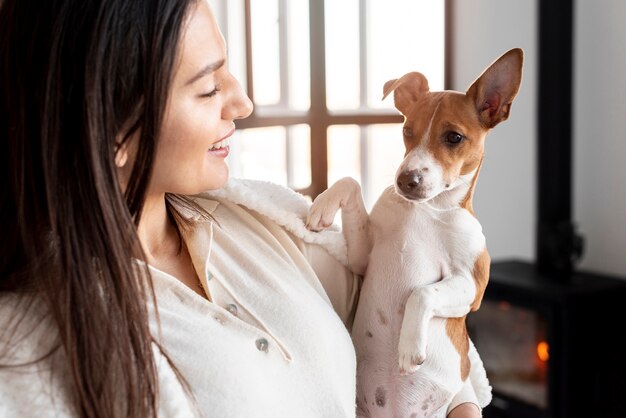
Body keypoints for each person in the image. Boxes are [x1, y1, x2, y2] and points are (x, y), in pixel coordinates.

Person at [0, 0, 485, 416]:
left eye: (226, 71)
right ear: (110, 130)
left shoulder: (264, 225)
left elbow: (423, 327)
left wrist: (462, 405)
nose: (243, 102)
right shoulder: (29, 350)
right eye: (208, 88)